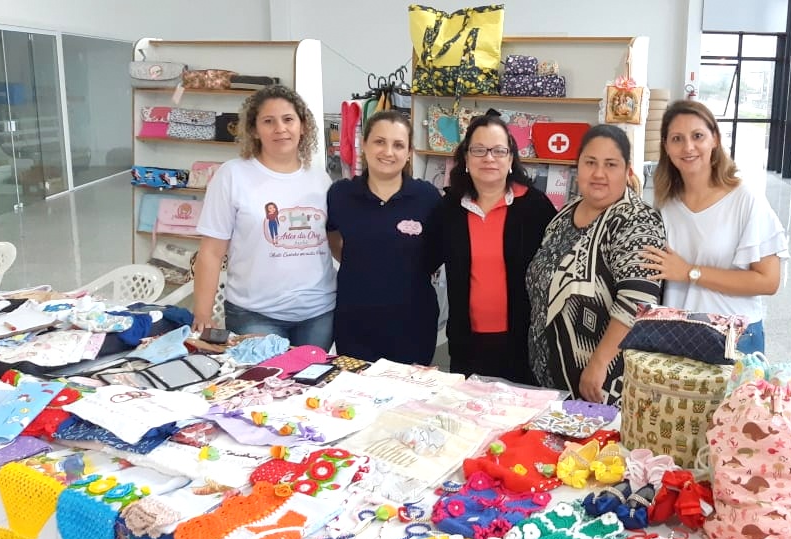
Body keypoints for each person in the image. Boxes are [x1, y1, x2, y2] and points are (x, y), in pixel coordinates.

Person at [526, 124, 665, 405]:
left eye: (610, 165)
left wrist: (599, 363)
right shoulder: (564, 214)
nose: (599, 174)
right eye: (590, 162)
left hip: (603, 385)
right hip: (551, 385)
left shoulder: (637, 220)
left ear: (627, 172)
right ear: (578, 167)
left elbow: (638, 300)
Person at [193, 85, 336, 349]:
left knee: (309, 386)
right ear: (254, 130)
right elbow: (211, 253)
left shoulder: (320, 178)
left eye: (288, 119)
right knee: (263, 385)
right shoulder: (232, 176)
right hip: (254, 314)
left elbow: (331, 241)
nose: (280, 128)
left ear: (303, 126)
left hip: (318, 313)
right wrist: (203, 314)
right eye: (268, 121)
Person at [640, 100, 787, 354]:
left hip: (735, 337)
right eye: (677, 138)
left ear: (715, 139)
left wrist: (690, 272)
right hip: (678, 336)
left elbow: (768, 281)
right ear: (666, 146)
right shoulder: (666, 203)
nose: (688, 147)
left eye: (698, 136)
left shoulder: (744, 199)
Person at [437, 110, 556, 384]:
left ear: (511, 158)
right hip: (466, 343)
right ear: (466, 158)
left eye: (499, 150)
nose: (489, 158)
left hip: (523, 344)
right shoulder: (449, 209)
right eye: (479, 150)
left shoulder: (535, 207)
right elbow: (423, 261)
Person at [326, 110, 442, 365]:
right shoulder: (340, 195)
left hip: (413, 322)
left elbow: (439, 249)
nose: (388, 152)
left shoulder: (427, 197)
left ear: (409, 152)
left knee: (409, 400)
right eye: (379, 142)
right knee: (353, 397)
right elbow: (332, 236)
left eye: (398, 145)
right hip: (355, 322)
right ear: (364, 144)